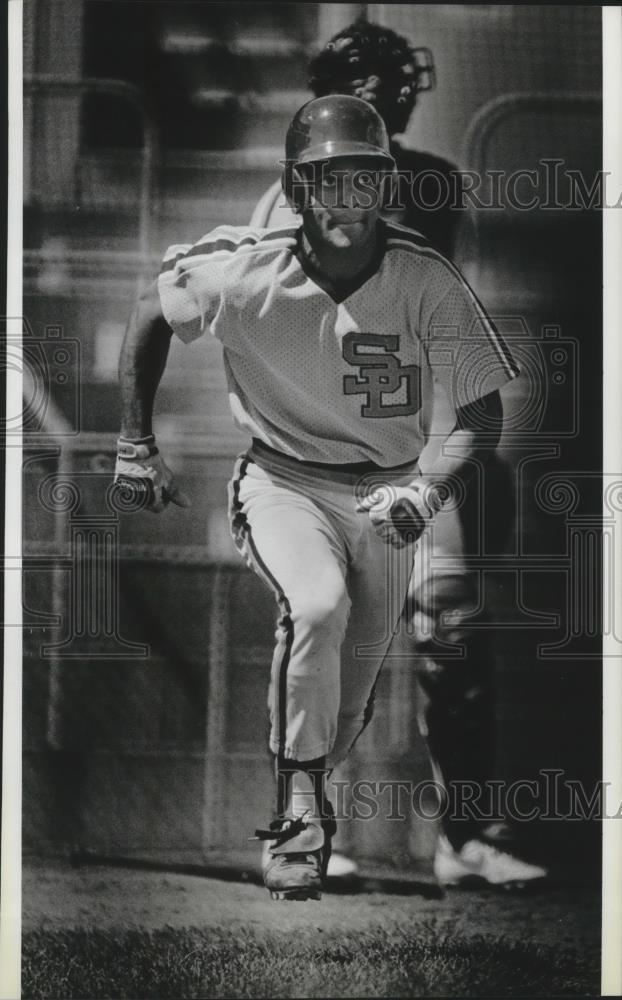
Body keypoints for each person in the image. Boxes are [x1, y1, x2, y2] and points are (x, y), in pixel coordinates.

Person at [115, 93, 521, 902]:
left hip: (387, 498)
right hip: (283, 481)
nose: (347, 201)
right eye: (327, 182)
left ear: (387, 188)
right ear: (297, 190)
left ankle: (316, 788)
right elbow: (149, 311)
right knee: (317, 606)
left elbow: (483, 411)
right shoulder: (247, 265)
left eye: (364, 181)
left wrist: (428, 492)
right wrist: (134, 445)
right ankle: (299, 820)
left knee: (347, 704)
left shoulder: (422, 275)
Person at [250, 18, 548, 891]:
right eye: (368, 82)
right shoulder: (283, 197)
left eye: (391, 81)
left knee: (451, 628)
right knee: (326, 627)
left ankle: (466, 835)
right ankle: (302, 832)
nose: (387, 95)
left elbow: (426, 306)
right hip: (320, 452)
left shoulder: (428, 183)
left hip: (415, 445)